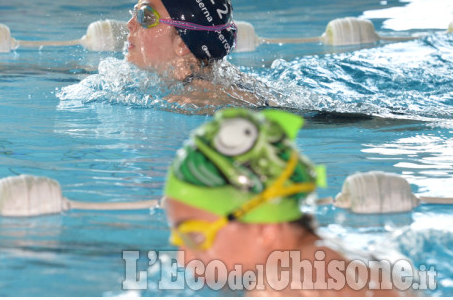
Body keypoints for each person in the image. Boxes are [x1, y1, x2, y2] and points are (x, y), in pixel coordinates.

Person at [164, 107, 408, 296]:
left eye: (195, 236)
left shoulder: (278, 288)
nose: (183, 259)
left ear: (267, 230)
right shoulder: (340, 257)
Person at [126, 0, 277, 110]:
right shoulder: (219, 78)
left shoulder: (194, 101)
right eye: (135, 11)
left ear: (182, 43)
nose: (130, 24)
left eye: (145, 16)